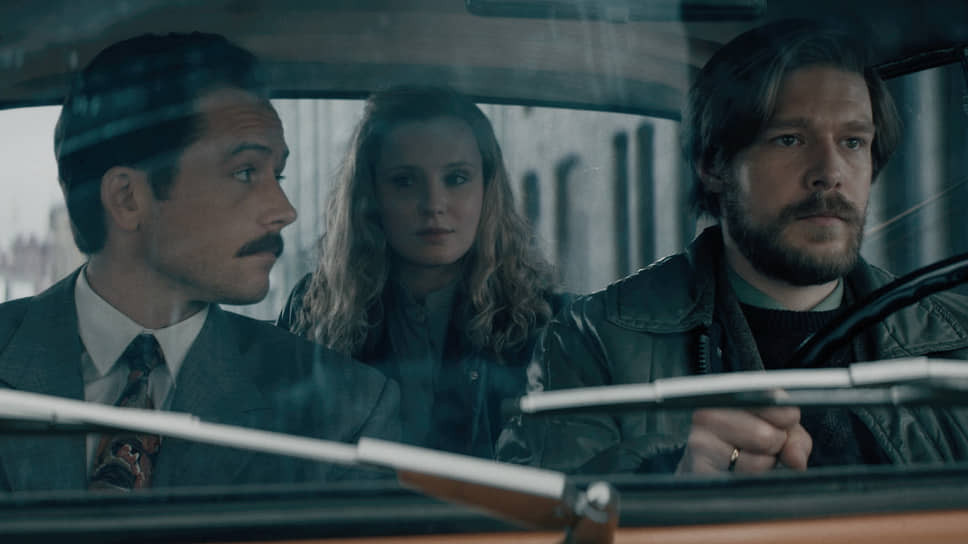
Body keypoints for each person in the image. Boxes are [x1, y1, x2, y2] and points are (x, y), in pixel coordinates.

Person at [497, 19, 968, 474]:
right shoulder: (593, 341)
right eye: (790, 139)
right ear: (713, 165)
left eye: (852, 142)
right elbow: (544, 507)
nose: (830, 172)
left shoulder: (958, 338)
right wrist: (672, 478)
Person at [0, 33, 399, 492]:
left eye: (278, 175)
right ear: (128, 198)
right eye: (245, 172)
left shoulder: (343, 409)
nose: (284, 210)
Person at [277, 86, 564, 458]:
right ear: (371, 195)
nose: (433, 204)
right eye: (404, 181)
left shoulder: (551, 322)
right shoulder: (314, 309)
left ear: (487, 187)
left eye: (456, 178)